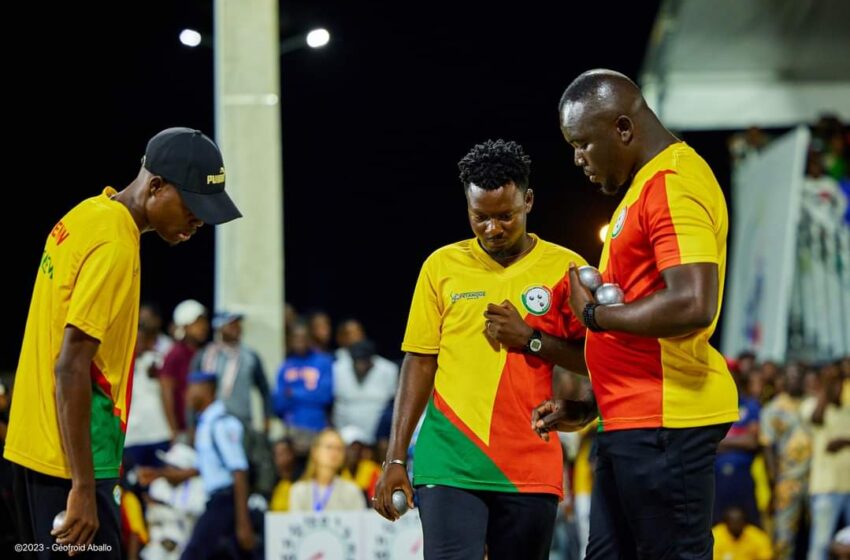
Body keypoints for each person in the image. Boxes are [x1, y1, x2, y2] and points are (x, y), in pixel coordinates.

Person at [3, 127, 241, 556]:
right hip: (73, 462)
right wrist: (82, 486)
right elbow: (71, 365)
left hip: (32, 448)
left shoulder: (86, 215)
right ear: (156, 186)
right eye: (192, 206)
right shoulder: (116, 245)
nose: (198, 221)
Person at [535, 69, 739, 558]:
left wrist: (596, 317)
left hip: (665, 422)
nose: (577, 158)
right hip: (633, 420)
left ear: (623, 128)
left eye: (582, 143)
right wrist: (595, 403)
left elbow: (693, 302)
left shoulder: (674, 182)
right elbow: (647, 324)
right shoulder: (648, 186)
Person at [373, 139, 588, 560]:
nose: (493, 229)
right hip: (449, 459)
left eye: (505, 216)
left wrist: (531, 339)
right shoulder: (441, 266)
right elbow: (419, 361)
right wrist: (395, 459)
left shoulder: (566, 268)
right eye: (480, 217)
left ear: (528, 201)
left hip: (528, 464)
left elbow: (597, 359)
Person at [194, 311, 274, 493]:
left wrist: (267, 418)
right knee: (214, 467)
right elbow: (193, 389)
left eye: (238, 325)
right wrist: (192, 424)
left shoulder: (249, 356)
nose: (237, 329)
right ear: (220, 328)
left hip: (240, 422)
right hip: (211, 424)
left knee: (240, 467)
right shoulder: (206, 355)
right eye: (232, 325)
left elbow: (264, 389)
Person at [180, 371, 255, 559]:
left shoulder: (221, 424)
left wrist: (243, 521)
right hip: (216, 500)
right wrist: (160, 474)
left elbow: (239, 470)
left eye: (191, 388)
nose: (187, 394)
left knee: (193, 554)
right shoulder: (205, 424)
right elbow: (201, 468)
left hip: (227, 501)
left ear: (207, 390)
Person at [760, 363, 812, 560]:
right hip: (787, 481)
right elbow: (767, 447)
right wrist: (775, 481)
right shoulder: (774, 408)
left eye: (799, 375)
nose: (795, 380)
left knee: (815, 538)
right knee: (783, 540)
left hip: (815, 479)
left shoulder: (813, 403)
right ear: (783, 379)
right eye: (791, 376)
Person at [801, 362, 850, 560]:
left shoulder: (848, 408)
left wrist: (845, 440)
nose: (836, 387)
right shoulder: (811, 405)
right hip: (825, 486)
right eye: (831, 383)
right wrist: (825, 387)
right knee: (820, 545)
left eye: (839, 383)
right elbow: (816, 419)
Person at [332, 339, 398, 443]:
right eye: (357, 360)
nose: (360, 364)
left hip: (376, 436)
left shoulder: (388, 370)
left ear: (372, 358)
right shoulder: (337, 369)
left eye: (364, 360)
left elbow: (393, 404)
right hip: (344, 435)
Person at [160, 300, 210, 438]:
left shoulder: (206, 353)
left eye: (204, 322)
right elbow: (167, 392)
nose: (203, 327)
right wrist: (174, 431)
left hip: (203, 426)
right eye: (197, 323)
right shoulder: (175, 354)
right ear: (185, 326)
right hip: (184, 430)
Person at [289, 428, 367, 512]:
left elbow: (359, 523)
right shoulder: (299, 490)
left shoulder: (352, 491)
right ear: (315, 451)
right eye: (329, 447)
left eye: (339, 449)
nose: (334, 453)